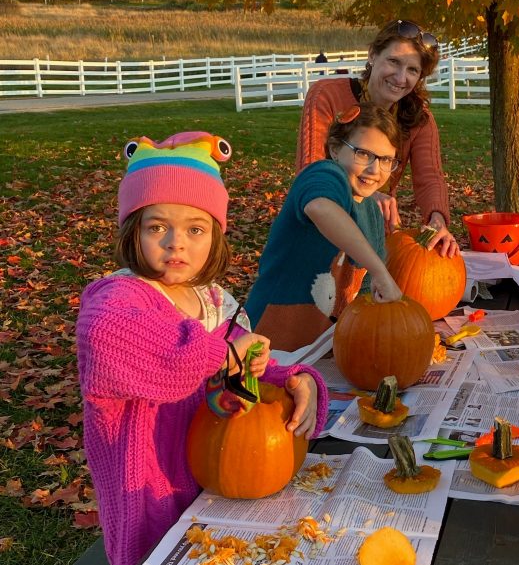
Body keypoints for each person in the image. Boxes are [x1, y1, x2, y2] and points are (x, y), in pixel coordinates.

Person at [76, 132, 329, 565]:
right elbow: (109, 336)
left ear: (215, 236)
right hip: (146, 487)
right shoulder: (118, 298)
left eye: (195, 229)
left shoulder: (213, 302)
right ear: (132, 231)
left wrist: (291, 378)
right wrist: (222, 353)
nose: (176, 242)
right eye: (157, 227)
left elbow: (239, 364)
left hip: (212, 477)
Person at [246, 103, 405, 352]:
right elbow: (320, 208)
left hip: (321, 352)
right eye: (363, 154)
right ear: (335, 149)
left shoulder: (373, 213)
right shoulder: (323, 174)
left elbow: (364, 295)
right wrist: (380, 271)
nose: (375, 170)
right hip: (267, 345)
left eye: (386, 160)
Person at [297, 19, 458, 257]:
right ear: (373, 55)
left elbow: (430, 178)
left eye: (413, 70)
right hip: (321, 225)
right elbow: (310, 171)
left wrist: (437, 221)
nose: (401, 78)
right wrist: (367, 195)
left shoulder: (418, 118)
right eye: (394, 61)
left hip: (377, 231)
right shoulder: (327, 95)